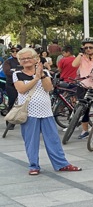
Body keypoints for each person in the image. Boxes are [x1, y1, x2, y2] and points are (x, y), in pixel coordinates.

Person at [13, 47, 81, 175]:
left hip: (46, 112)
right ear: (19, 61)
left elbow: (48, 88)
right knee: (31, 141)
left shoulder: (45, 72)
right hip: (28, 113)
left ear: (36, 59)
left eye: (29, 58)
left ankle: (62, 164)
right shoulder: (17, 74)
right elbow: (21, 89)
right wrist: (35, 78)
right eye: (22, 59)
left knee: (53, 139)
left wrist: (42, 75)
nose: (26, 60)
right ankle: (34, 166)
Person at [3, 46, 20, 129]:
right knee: (12, 102)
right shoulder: (8, 61)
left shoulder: (23, 61)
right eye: (13, 51)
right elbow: (7, 71)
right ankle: (9, 122)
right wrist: (17, 72)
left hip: (22, 84)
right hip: (11, 84)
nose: (15, 53)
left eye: (16, 51)